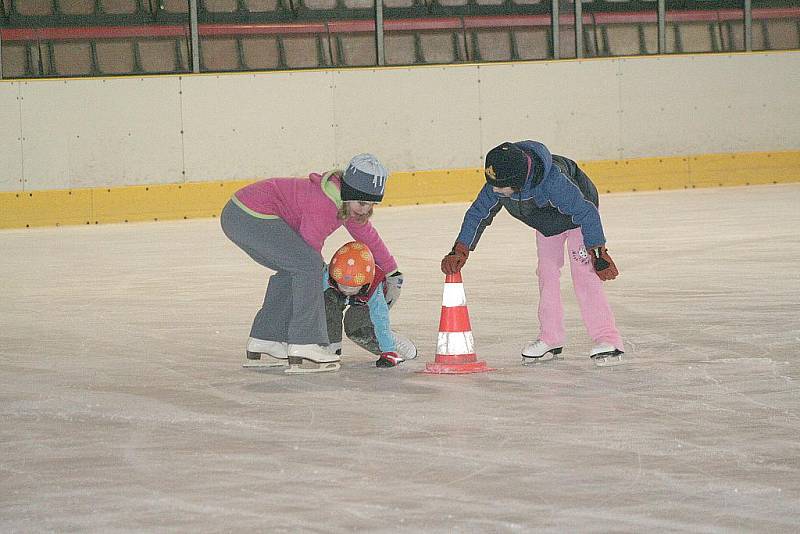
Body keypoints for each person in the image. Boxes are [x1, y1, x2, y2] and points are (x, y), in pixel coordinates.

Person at [440, 141, 624, 366]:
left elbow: (585, 212)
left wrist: (598, 253)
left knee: (584, 274)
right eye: (493, 186)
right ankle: (550, 338)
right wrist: (460, 248)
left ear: (520, 180)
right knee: (546, 274)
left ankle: (608, 338)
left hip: (578, 220)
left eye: (502, 188)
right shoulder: (499, 181)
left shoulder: (553, 182)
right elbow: (478, 213)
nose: (496, 192)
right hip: (546, 223)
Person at [221, 154, 402, 373]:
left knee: (297, 268)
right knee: (308, 267)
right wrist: (321, 277)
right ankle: (305, 343)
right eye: (362, 202)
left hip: (242, 214)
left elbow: (366, 234)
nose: (365, 209)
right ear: (348, 193)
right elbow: (308, 254)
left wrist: (393, 272)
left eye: (371, 204)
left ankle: (266, 338)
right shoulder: (324, 204)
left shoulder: (345, 202)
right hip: (249, 215)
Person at [324, 241, 417, 368]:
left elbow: (380, 319)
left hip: (387, 290)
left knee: (356, 329)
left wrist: (388, 351)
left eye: (353, 288)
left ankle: (391, 341)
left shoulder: (375, 290)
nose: (347, 291)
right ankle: (331, 348)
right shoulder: (327, 277)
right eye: (343, 286)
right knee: (328, 304)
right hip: (346, 290)